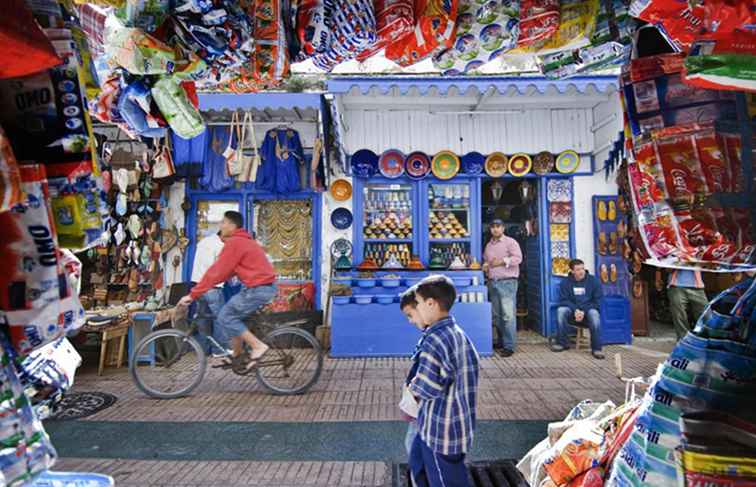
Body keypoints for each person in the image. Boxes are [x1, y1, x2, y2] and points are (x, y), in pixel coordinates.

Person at [178, 211, 277, 372]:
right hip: (259, 287)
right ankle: (237, 356)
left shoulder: (235, 243)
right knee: (232, 316)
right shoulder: (242, 241)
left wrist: (192, 294)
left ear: (232, 226)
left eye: (223, 222)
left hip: (258, 288)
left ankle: (258, 346)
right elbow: (226, 271)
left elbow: (216, 272)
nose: (221, 226)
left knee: (225, 316)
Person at [407, 276, 479, 487]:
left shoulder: (434, 340)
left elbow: (426, 387)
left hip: (441, 430)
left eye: (418, 304)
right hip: (453, 423)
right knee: (417, 462)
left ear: (431, 304)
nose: (417, 310)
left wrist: (411, 389)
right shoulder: (459, 334)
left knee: (446, 480)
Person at [482, 218, 523, 357]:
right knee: (497, 315)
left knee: (508, 315)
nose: (495, 229)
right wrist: (485, 267)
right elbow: (488, 263)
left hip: (507, 282)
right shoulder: (488, 245)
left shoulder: (510, 242)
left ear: (503, 228)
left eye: (498, 226)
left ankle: (509, 346)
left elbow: (518, 258)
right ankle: (501, 341)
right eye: (493, 226)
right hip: (493, 282)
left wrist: (501, 262)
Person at [553, 259, 605, 359]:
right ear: (572, 271)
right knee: (561, 311)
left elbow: (597, 302)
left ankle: (597, 348)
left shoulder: (594, 281)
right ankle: (562, 343)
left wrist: (583, 311)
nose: (581, 271)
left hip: (588, 312)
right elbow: (564, 300)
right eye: (578, 269)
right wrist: (576, 310)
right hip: (572, 313)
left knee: (594, 314)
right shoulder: (566, 282)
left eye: (582, 268)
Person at [190, 230, 228, 356]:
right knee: (220, 318)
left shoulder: (203, 242)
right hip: (212, 287)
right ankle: (219, 350)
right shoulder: (220, 246)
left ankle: (203, 349)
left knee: (202, 318)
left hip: (198, 285)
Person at [399, 288, 426, 456]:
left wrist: (413, 394)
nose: (410, 321)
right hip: (419, 404)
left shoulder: (434, 339)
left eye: (410, 315)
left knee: (413, 444)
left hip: (424, 406)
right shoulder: (428, 335)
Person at [667, 269, 708, 340]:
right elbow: (668, 269)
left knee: (705, 314)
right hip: (676, 286)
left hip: (697, 287)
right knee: (678, 315)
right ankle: (684, 340)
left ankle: (703, 339)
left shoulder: (698, 257)